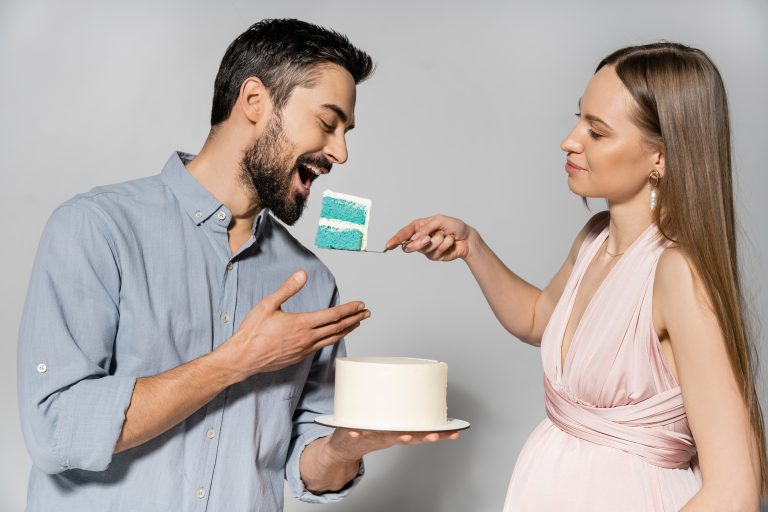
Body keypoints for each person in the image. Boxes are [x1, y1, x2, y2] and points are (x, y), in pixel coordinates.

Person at [17, 18, 458, 512]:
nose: (341, 152)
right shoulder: (96, 229)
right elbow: (56, 430)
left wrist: (344, 447)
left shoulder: (311, 281)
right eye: (327, 123)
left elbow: (306, 469)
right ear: (254, 101)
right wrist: (237, 361)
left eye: (345, 132)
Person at [386, 42, 766, 511]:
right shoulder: (594, 240)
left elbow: (736, 490)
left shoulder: (676, 274)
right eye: (579, 118)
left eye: (598, 132)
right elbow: (537, 318)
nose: (570, 139)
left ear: (660, 158)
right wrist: (472, 248)